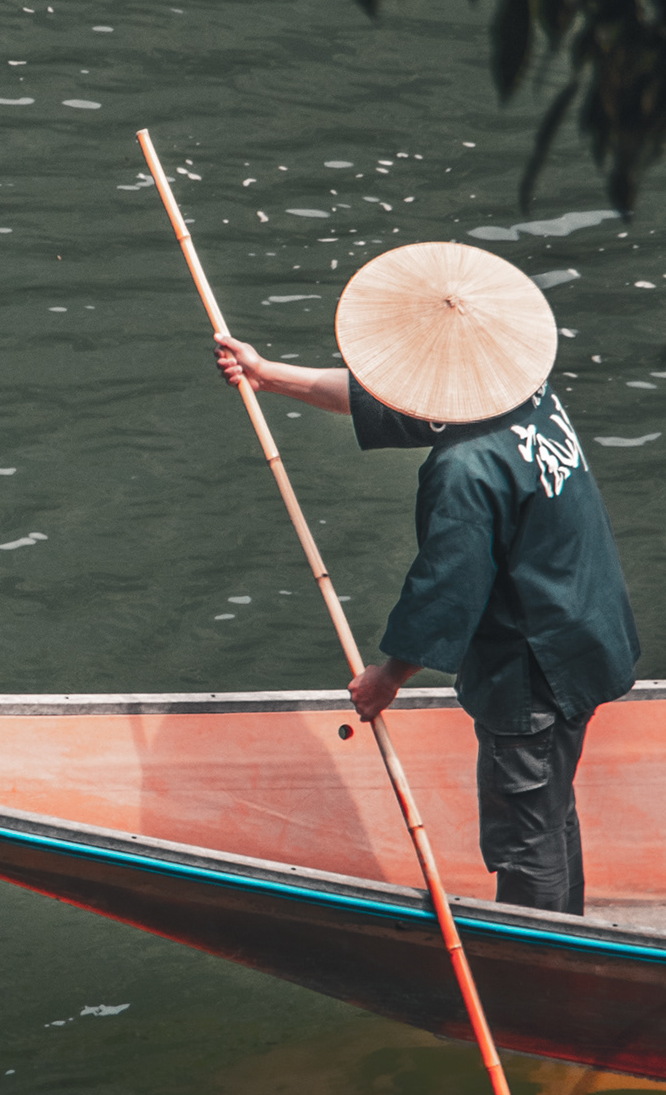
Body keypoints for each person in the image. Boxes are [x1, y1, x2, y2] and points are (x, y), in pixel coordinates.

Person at [213, 238, 639, 917]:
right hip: (588, 630)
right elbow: (382, 402)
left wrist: (387, 678)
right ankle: (566, 934)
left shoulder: (463, 471)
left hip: (535, 665)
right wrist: (269, 376)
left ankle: (539, 975)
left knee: (525, 836)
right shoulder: (526, 394)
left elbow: (447, 588)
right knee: (551, 811)